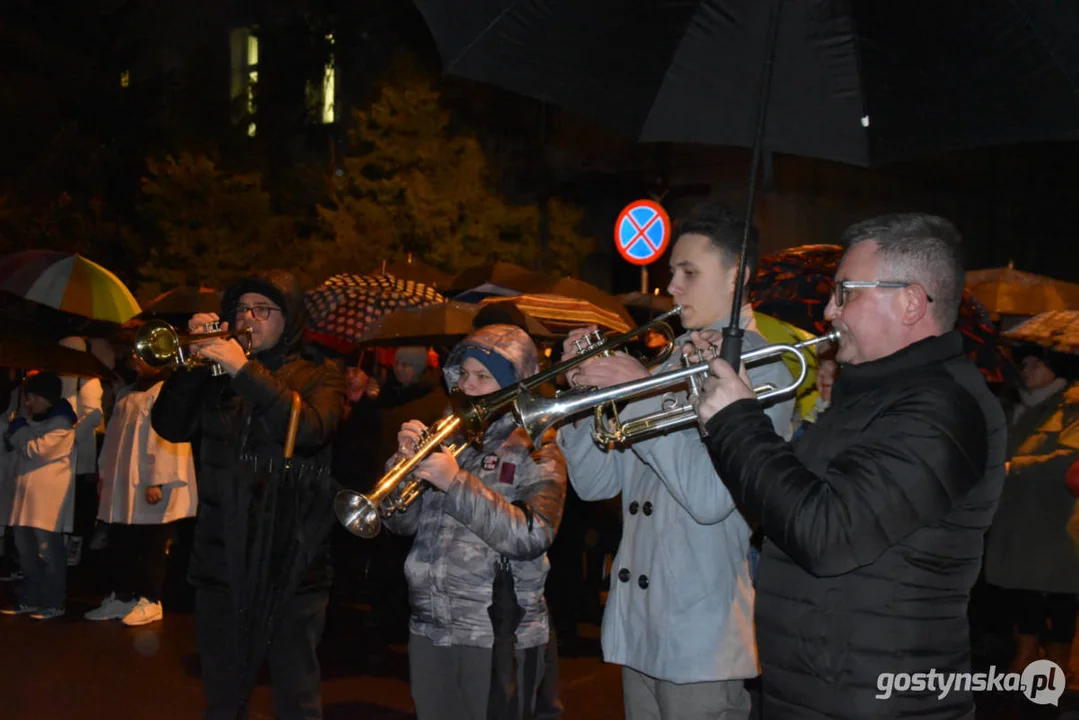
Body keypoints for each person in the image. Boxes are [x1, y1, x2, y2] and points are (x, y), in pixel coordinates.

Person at [694, 213, 1007, 718]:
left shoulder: (942, 409)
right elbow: (786, 505)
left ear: (909, 302)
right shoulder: (873, 397)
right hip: (821, 692)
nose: (827, 309)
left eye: (846, 293)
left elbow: (825, 533)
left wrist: (737, 421)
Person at [556, 203, 795, 719]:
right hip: (638, 627)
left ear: (738, 277)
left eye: (689, 272)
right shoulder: (665, 362)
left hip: (701, 637)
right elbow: (597, 485)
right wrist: (581, 396)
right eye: (672, 273)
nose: (673, 288)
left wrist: (635, 390)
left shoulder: (764, 367)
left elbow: (711, 500)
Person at [151, 270, 347, 720]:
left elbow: (310, 430)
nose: (248, 318)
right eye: (241, 309)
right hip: (220, 557)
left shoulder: (322, 374)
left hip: (292, 561)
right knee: (221, 690)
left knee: (295, 691)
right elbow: (170, 426)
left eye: (263, 310)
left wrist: (244, 370)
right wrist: (189, 367)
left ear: (288, 317)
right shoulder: (217, 374)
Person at [385, 324, 567, 720]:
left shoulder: (538, 446)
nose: (468, 385)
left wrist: (455, 483)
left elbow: (533, 534)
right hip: (431, 625)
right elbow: (401, 525)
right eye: (463, 374)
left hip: (498, 632)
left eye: (483, 377)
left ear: (514, 384)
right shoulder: (447, 437)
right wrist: (403, 467)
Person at [985, 345, 1079, 676]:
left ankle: (1057, 665)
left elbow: (1068, 458)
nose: (1026, 370)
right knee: (1024, 589)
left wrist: (1015, 467)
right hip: (1018, 513)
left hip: (1058, 513)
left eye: (1035, 363)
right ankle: (1025, 657)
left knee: (1059, 593)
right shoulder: (1015, 404)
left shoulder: (1072, 405)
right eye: (1023, 363)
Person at [85, 353, 197, 626]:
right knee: (122, 541)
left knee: (152, 545)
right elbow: (113, 438)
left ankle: (151, 600)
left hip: (150, 484)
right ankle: (123, 597)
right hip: (124, 484)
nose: (134, 357)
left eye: (142, 354)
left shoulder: (166, 393)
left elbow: (166, 438)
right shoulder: (126, 394)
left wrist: (157, 479)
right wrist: (104, 473)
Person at [1, 371, 77, 620]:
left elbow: (36, 451)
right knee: (26, 553)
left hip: (46, 501)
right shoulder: (36, 421)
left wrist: (19, 432)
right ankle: (30, 598)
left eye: (32, 397)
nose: (28, 402)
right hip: (25, 498)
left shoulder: (62, 425)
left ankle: (54, 601)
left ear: (45, 397)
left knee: (48, 552)